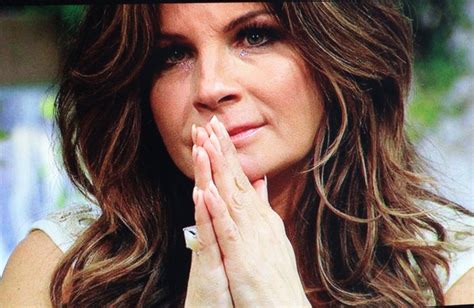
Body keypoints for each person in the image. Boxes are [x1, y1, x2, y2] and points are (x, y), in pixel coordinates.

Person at [0, 2, 473, 307]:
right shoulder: (60, 271)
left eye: (255, 36)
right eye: (171, 55)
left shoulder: (453, 276)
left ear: (340, 51)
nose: (210, 87)